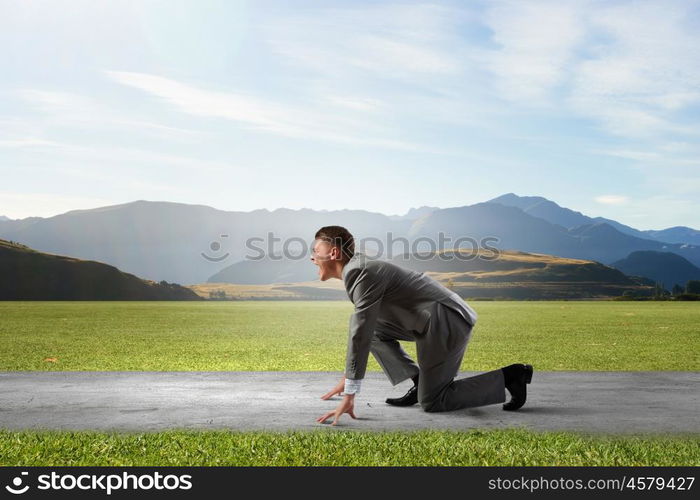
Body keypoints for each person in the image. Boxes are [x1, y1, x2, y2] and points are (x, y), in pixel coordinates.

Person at [311, 225, 533, 426]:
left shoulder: (360, 272)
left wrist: (350, 392)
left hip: (446, 320)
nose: (313, 258)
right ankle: (420, 383)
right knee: (374, 332)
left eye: (315, 252)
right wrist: (348, 376)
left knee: (434, 400)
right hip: (428, 320)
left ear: (334, 253)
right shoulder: (358, 267)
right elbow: (364, 330)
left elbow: (360, 331)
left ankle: (511, 376)